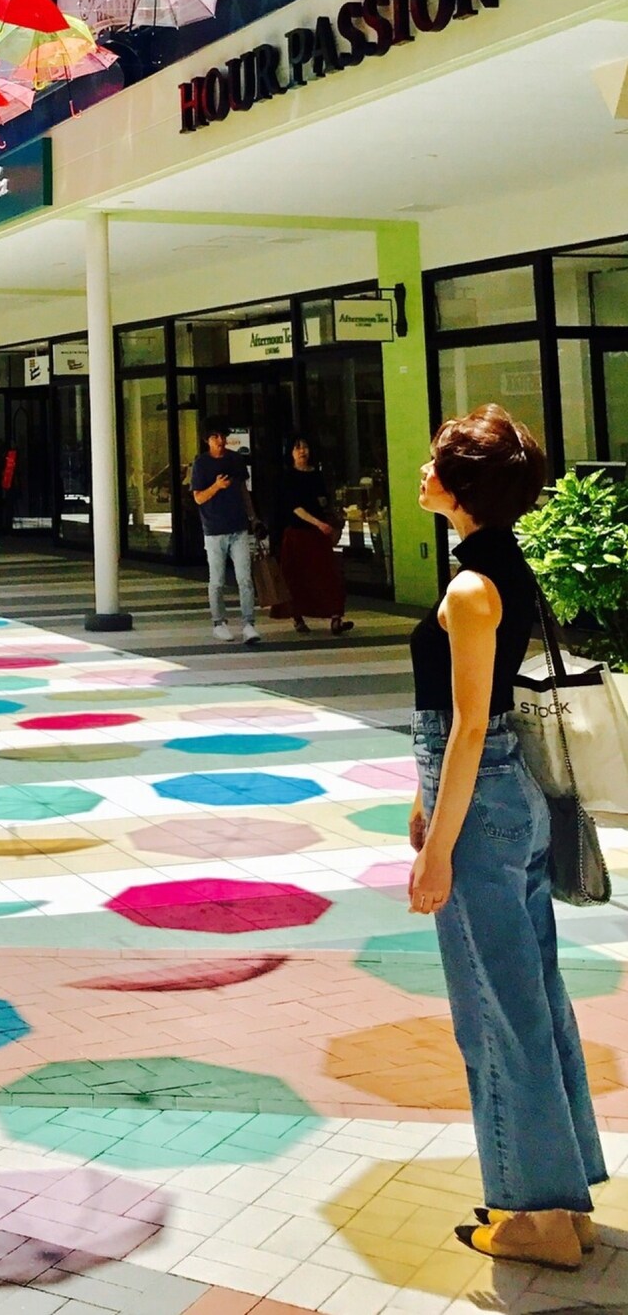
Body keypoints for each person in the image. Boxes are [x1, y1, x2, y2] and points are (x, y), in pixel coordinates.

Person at [408, 403, 606, 1272]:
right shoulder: (500, 566)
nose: (423, 473)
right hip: (502, 793)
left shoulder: (469, 589)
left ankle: (536, 1218)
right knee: (533, 998)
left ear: (460, 487)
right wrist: (423, 805)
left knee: (497, 1013)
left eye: (435, 463)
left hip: (481, 803)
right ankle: (562, 1198)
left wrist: (437, 848)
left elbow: (465, 726)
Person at [190, 418, 260, 644]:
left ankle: (248, 623)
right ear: (207, 440)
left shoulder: (235, 460)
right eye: (214, 437)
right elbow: (198, 497)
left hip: (238, 527)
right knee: (217, 580)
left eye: (222, 436)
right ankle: (218, 623)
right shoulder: (201, 464)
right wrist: (217, 486)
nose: (220, 441)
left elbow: (244, 491)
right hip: (213, 529)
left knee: (245, 578)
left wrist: (253, 518)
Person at [276, 437, 353, 635]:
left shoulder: (317, 474)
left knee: (329, 575)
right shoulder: (288, 477)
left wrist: (330, 517)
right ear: (290, 453)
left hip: (318, 534)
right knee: (296, 577)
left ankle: (336, 617)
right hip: (298, 533)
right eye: (297, 448)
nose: (302, 451)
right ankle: (297, 617)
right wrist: (318, 523)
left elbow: (324, 500)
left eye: (305, 447)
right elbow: (295, 508)